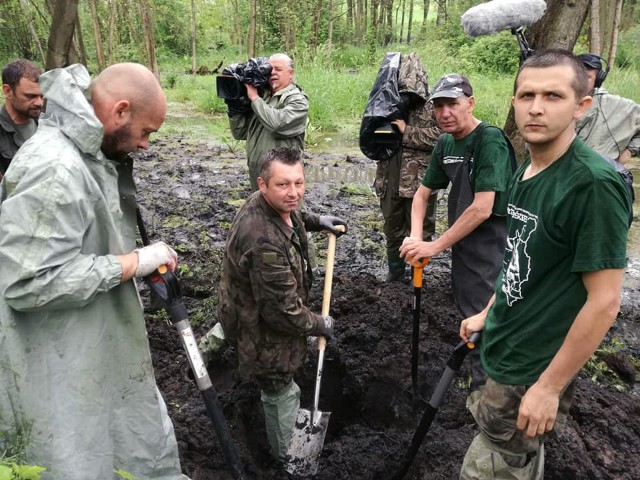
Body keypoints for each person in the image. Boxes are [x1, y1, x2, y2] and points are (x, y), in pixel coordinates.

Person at [0, 63, 189, 479]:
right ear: (120, 111)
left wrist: (132, 259)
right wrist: (132, 263)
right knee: (71, 456)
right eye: (146, 132)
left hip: (88, 338)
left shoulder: (90, 154)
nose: (145, 145)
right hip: (53, 355)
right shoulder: (56, 168)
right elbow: (28, 282)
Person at [458, 49, 630, 479]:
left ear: (582, 105)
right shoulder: (529, 169)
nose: (536, 108)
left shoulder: (592, 185)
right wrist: (488, 310)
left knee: (496, 462)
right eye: (526, 95)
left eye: (553, 96)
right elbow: (521, 254)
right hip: (506, 344)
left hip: (533, 366)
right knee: (507, 453)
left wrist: (549, 387)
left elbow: (605, 302)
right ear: (513, 101)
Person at [213, 147, 346, 466]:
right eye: (283, 185)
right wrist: (319, 324)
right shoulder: (264, 244)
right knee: (280, 389)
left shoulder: (268, 204)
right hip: (261, 328)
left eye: (299, 183)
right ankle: (289, 460)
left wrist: (317, 221)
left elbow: (293, 214)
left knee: (236, 335)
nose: (294, 193)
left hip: (244, 305)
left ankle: (211, 347)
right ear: (262, 184)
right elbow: (282, 313)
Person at [399, 73, 515, 389]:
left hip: (493, 242)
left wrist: (434, 247)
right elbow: (422, 194)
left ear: (470, 103)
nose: (444, 113)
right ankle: (482, 382)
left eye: (452, 104)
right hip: (464, 243)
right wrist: (416, 237)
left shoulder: (489, 140)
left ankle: (489, 392)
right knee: (469, 310)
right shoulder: (445, 142)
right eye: (438, 106)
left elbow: (483, 207)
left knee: (487, 316)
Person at [373, 52, 443, 282]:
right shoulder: (385, 103)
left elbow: (441, 138)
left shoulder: (434, 107)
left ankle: (417, 277)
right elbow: (370, 136)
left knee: (420, 232)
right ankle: (395, 274)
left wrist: (407, 132)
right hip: (389, 179)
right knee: (392, 229)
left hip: (419, 182)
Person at [228, 53, 309, 191]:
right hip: (258, 172)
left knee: (287, 210)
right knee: (261, 210)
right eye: (269, 69)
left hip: (284, 175)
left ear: (291, 73)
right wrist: (235, 107)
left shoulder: (297, 100)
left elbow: (277, 124)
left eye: (278, 69)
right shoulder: (263, 97)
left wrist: (254, 98)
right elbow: (240, 133)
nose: (272, 73)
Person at [575, 52, 640, 165]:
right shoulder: (553, 101)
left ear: (598, 80)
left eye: (587, 77)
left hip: (598, 175)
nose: (581, 82)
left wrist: (629, 152)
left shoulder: (614, 105)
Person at [1, 59, 43, 178]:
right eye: (30, 96)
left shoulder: (48, 124)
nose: (39, 103)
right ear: (8, 91)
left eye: (41, 96)